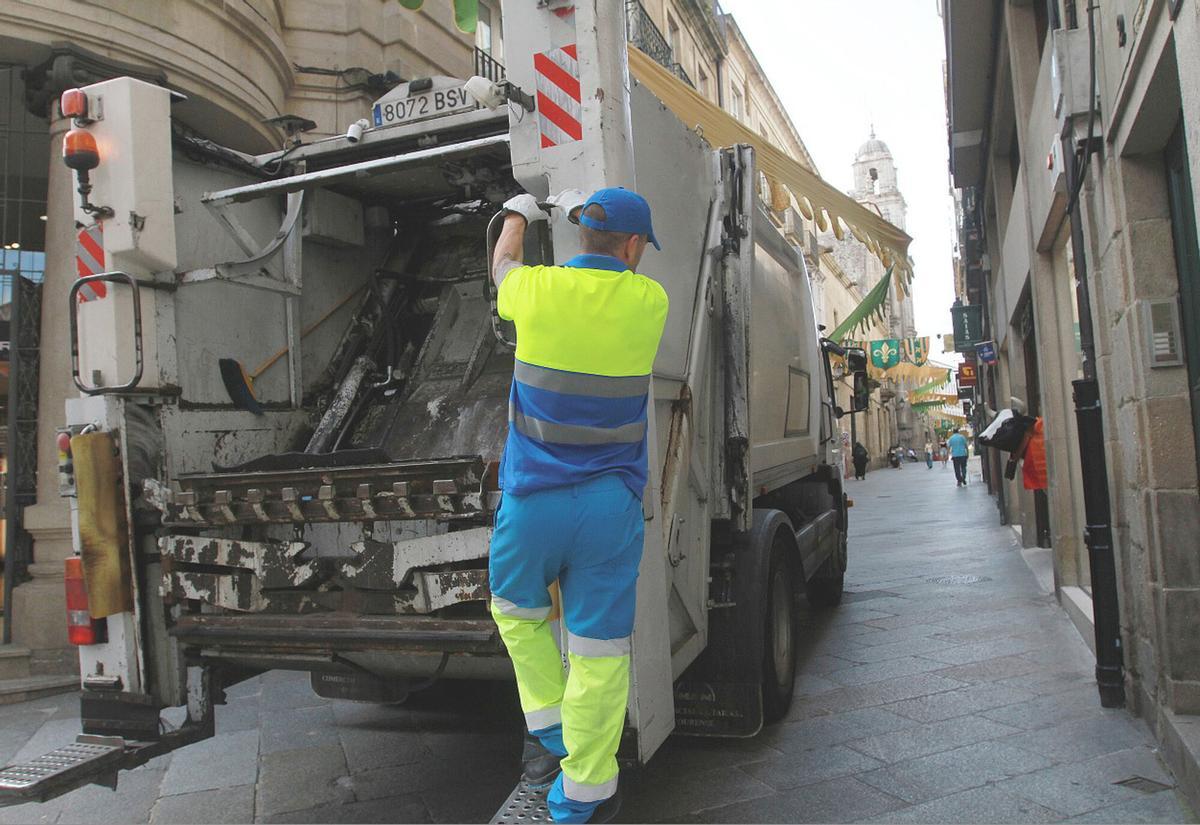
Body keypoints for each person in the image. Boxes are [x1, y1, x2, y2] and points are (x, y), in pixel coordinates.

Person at [488, 186, 669, 823]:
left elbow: (503, 267)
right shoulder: (651, 301)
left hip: (532, 502)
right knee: (598, 650)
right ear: (633, 246)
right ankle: (584, 793)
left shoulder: (533, 291)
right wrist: (575, 214)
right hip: (608, 507)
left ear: (584, 236)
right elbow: (606, 261)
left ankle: (553, 731)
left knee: (516, 611)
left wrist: (518, 213)